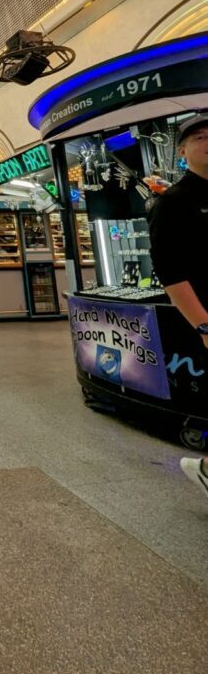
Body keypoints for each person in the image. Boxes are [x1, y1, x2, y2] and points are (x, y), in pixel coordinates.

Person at [149, 113, 208, 500]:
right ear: (182, 151)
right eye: (198, 136)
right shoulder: (172, 203)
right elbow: (172, 275)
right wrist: (204, 326)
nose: (207, 140)